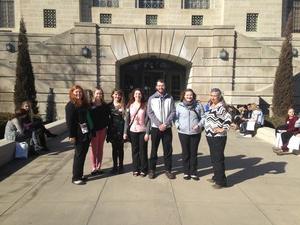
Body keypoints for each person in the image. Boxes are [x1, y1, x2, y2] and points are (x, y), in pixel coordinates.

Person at [147, 79, 176, 179]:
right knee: (154, 150)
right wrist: (159, 124)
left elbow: (173, 112)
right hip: (156, 128)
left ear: (165, 86)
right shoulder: (152, 98)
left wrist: (165, 124)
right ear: (156, 87)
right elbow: (150, 113)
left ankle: (168, 170)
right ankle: (152, 170)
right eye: (159, 86)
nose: (161, 87)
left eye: (162, 85)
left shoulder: (170, 98)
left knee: (168, 150)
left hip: (167, 128)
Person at [204, 88, 231, 189]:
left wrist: (223, 128)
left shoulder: (222, 107)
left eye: (215, 96)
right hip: (210, 135)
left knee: (218, 158)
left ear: (219, 96)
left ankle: (221, 182)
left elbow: (229, 118)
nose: (213, 97)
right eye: (211, 95)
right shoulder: (210, 105)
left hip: (218, 137)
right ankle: (216, 176)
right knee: (213, 158)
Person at [174, 89, 204, 180]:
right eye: (187, 95)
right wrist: (178, 126)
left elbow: (203, 117)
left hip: (195, 133)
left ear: (193, 96)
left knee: (193, 153)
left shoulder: (198, 105)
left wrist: (199, 125)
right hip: (183, 133)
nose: (189, 97)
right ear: (184, 96)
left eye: (190, 95)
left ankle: (193, 172)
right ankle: (186, 172)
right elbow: (175, 118)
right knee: (185, 153)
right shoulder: (179, 105)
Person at [65, 85, 91, 185]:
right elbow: (70, 122)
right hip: (78, 134)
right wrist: (72, 136)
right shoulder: (71, 105)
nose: (78, 94)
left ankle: (80, 174)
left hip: (85, 134)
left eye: (80, 92)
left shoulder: (83, 104)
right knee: (78, 155)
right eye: (76, 92)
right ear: (72, 93)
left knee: (82, 155)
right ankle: (75, 177)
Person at [123, 88, 150, 177]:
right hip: (133, 131)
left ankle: (144, 169)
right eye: (136, 94)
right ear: (133, 95)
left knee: (143, 151)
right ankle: (135, 169)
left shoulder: (145, 105)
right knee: (135, 151)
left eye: (139, 94)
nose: (137, 95)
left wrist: (147, 133)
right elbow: (127, 120)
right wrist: (125, 132)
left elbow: (148, 120)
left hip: (142, 131)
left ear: (141, 95)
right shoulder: (129, 106)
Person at [88, 87, 110, 175]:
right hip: (94, 130)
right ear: (94, 94)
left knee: (100, 148)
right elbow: (87, 118)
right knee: (94, 149)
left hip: (103, 129)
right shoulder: (90, 105)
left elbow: (108, 116)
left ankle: (99, 167)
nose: (99, 95)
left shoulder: (105, 105)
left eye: (100, 93)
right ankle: (93, 167)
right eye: (97, 93)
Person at [107, 89, 126, 174]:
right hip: (112, 130)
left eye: (119, 95)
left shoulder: (123, 105)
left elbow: (126, 118)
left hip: (121, 129)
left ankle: (121, 166)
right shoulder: (109, 106)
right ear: (112, 95)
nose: (117, 96)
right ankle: (115, 166)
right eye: (115, 94)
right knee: (114, 149)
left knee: (120, 149)